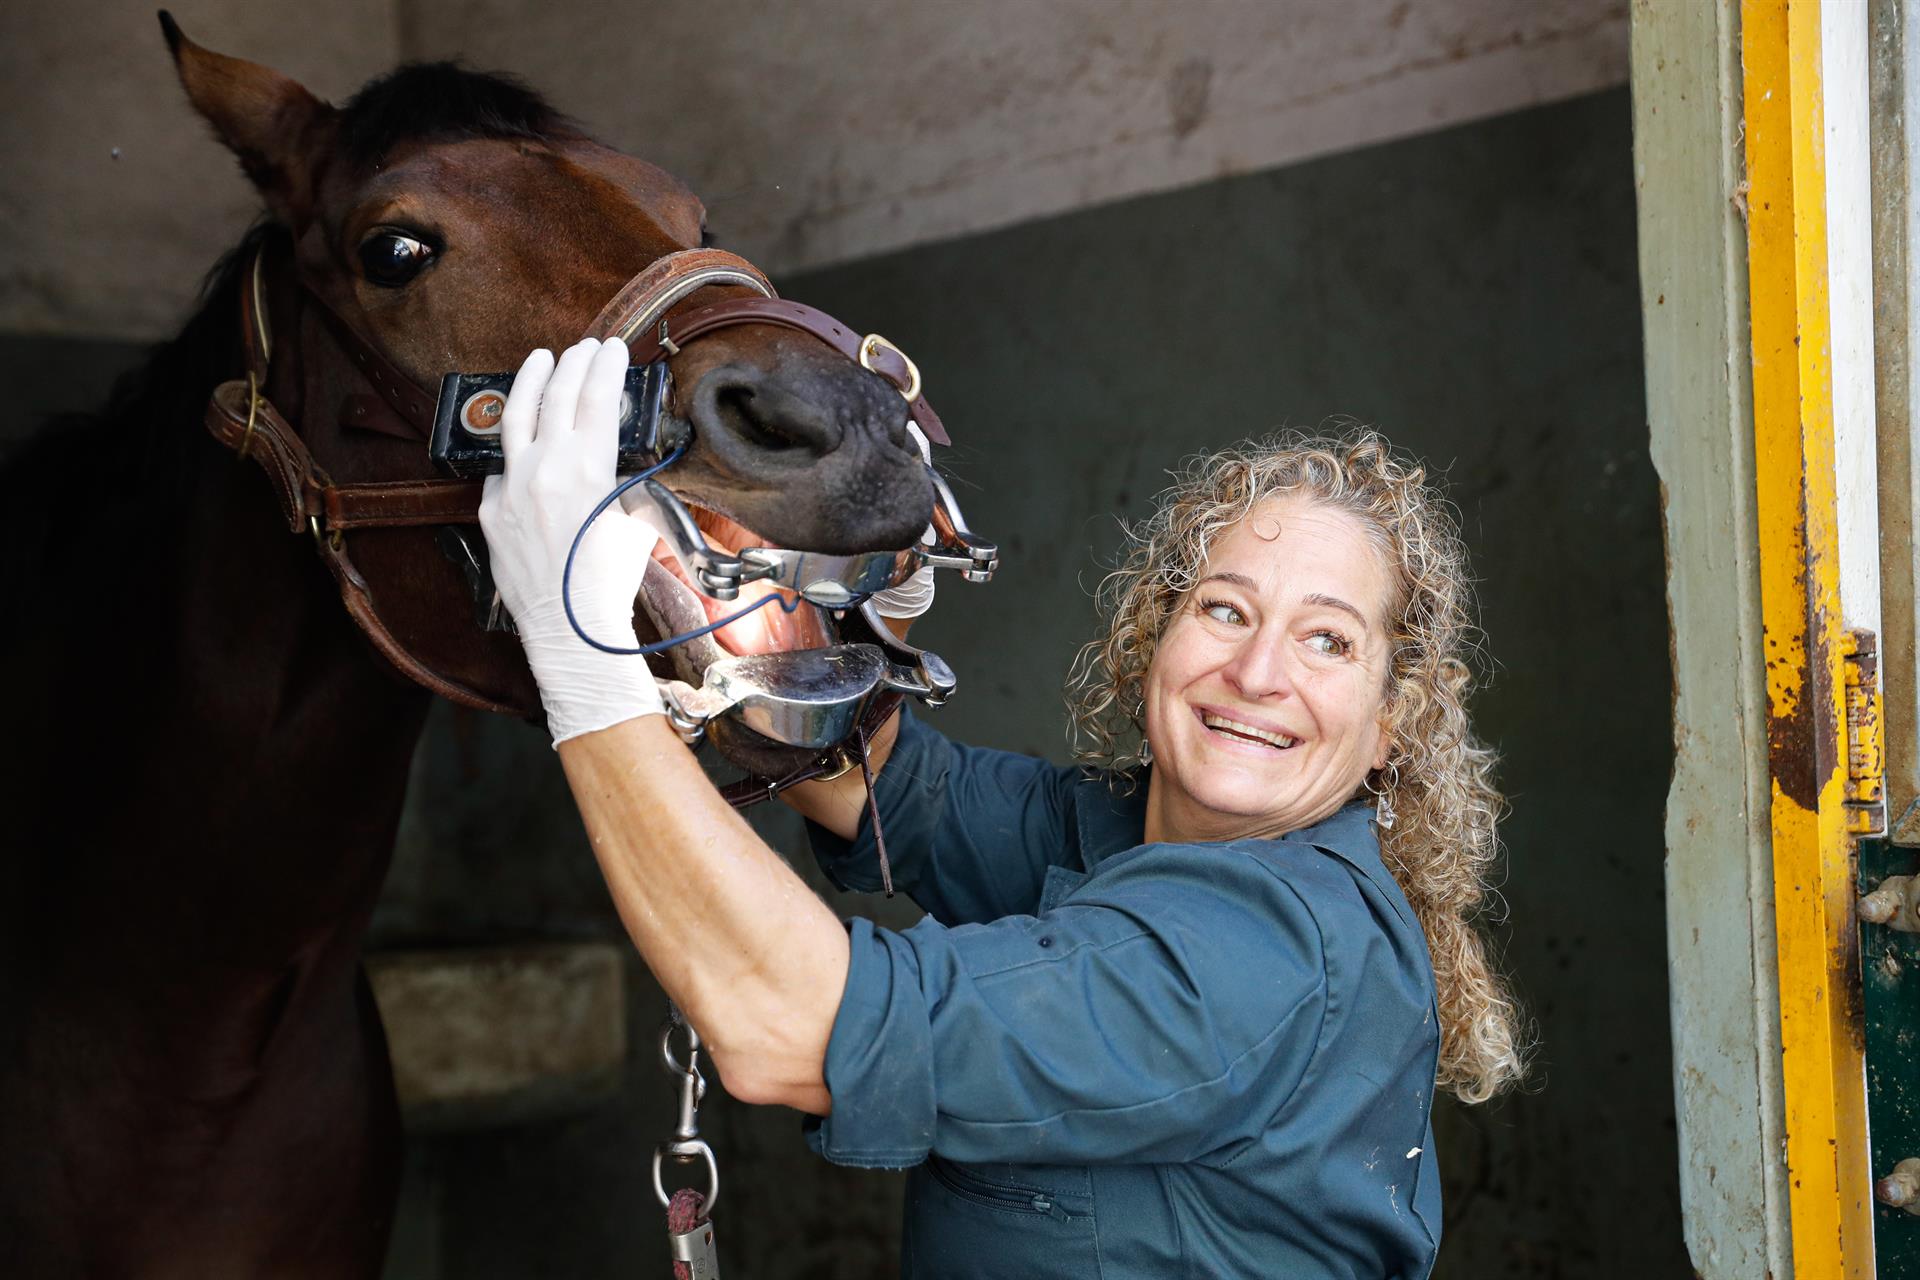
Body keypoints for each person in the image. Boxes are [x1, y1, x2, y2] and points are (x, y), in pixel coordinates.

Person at [479, 337, 1527, 1278]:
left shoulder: (1267, 953)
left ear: (1394, 721)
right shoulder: (1114, 827)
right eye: (1224, 608)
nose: (1257, 670)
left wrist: (581, 666)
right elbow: (890, 787)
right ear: (1153, 639)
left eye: (1328, 639)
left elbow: (790, 1024)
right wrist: (837, 626)